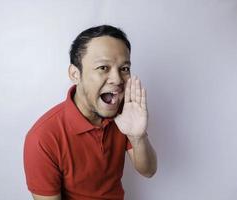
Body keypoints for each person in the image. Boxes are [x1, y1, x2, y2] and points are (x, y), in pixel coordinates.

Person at [23, 25, 157, 200]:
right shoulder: (42, 138)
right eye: (103, 67)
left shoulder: (124, 113)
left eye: (124, 69)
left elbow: (148, 171)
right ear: (75, 74)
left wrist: (137, 137)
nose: (117, 79)